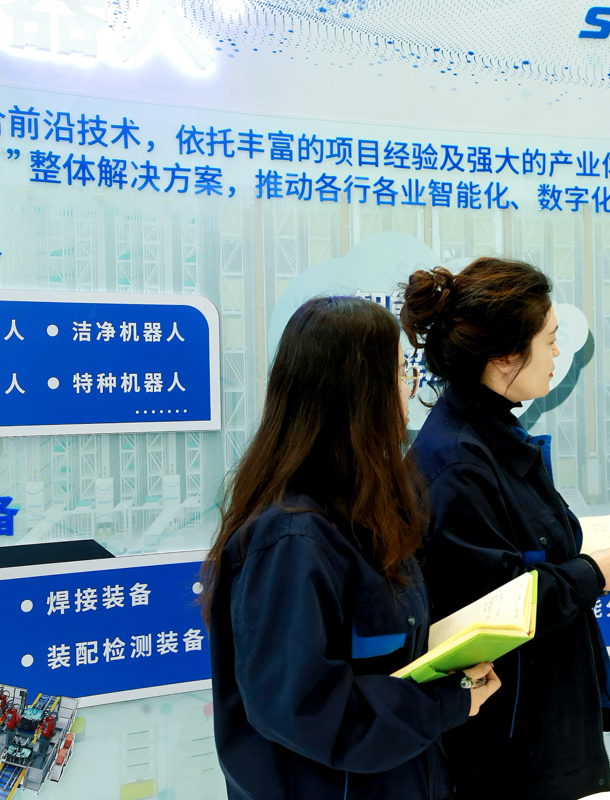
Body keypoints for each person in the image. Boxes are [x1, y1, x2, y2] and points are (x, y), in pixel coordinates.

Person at [401, 257, 610, 800]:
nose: (556, 354)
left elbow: (531, 550)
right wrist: (594, 573)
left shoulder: (491, 436)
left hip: (530, 726)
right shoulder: (458, 461)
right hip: (503, 747)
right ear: (504, 355)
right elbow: (492, 608)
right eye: (549, 340)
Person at [202, 296, 501, 800]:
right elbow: (306, 708)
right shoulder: (290, 539)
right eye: (399, 371)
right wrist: (447, 702)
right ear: (360, 391)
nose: (409, 387)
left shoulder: (364, 511)